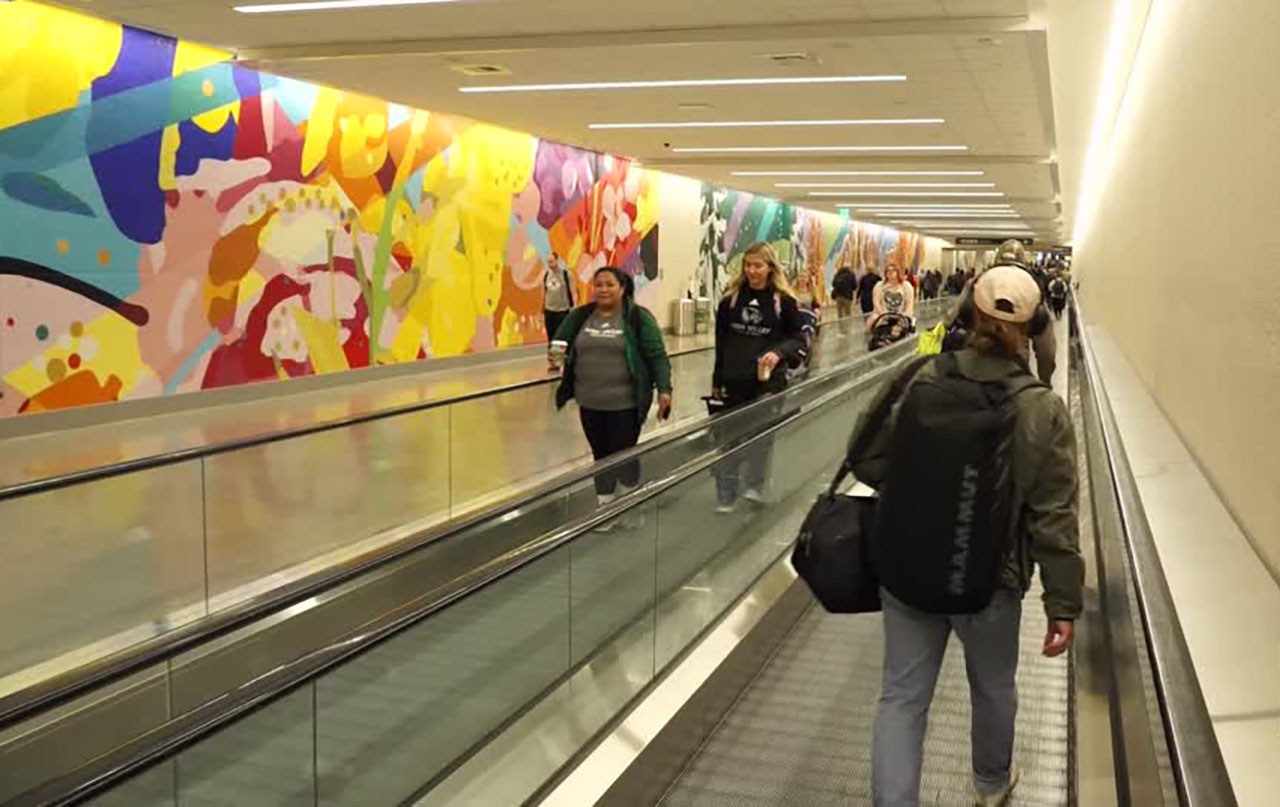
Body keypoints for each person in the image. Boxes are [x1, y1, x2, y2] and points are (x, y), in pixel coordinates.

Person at [847, 265, 1083, 807]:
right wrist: (1062, 602)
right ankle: (991, 786)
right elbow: (1054, 516)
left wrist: (921, 489)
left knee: (902, 698)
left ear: (968, 313)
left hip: (908, 568)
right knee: (993, 687)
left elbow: (865, 455)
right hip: (991, 581)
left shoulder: (919, 377)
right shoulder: (1041, 408)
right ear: (1036, 326)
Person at [553, 267, 673, 521]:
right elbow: (560, 342)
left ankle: (630, 507)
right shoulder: (580, 316)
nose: (603, 290)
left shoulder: (638, 318)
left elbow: (657, 357)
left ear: (622, 287)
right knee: (600, 455)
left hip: (625, 404)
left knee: (624, 455)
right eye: (598, 285)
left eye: (609, 284)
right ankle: (605, 508)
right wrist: (557, 355)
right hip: (590, 402)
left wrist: (664, 390)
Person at [711, 242, 808, 513]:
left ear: (770, 268)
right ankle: (727, 492)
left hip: (768, 381)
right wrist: (717, 380)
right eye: (748, 265)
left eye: (758, 266)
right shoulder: (730, 300)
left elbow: (799, 338)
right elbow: (721, 343)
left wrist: (778, 352)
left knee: (760, 436)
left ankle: (754, 485)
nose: (752, 271)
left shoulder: (783, 302)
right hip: (734, 378)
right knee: (729, 438)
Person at [946, 240, 1058, 384]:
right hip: (1016, 363)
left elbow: (950, 318)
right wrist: (1045, 380)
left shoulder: (977, 281)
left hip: (973, 359)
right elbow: (1047, 350)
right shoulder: (1030, 285)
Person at [871, 259, 917, 328]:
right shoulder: (879, 286)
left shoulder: (906, 286)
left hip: (901, 316)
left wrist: (904, 316)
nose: (890, 273)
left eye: (893, 271)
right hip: (883, 316)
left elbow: (909, 304)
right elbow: (876, 302)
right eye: (888, 271)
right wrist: (882, 315)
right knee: (872, 321)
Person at [542, 251, 575, 342]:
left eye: (552, 262)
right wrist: (542, 310)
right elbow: (544, 293)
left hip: (562, 311)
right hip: (549, 311)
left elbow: (573, 292)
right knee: (551, 338)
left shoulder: (566, 275)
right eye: (548, 262)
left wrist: (573, 308)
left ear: (557, 261)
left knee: (561, 338)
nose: (550, 265)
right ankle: (552, 351)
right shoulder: (546, 275)